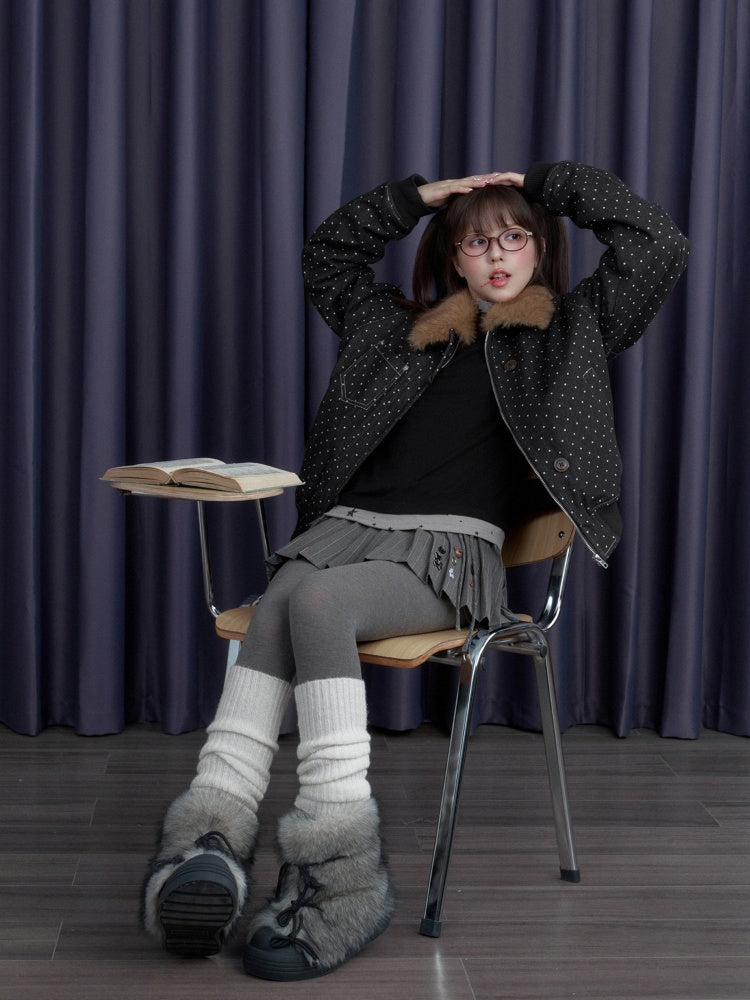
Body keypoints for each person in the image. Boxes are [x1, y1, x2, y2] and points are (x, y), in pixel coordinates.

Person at [141, 162, 689, 980]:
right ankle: (211, 841)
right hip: (342, 534)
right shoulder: (393, 329)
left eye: (515, 237)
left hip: (449, 555)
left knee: (312, 602)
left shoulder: (571, 332)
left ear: (541, 248)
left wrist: (549, 183)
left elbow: (659, 245)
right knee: (290, 593)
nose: (497, 255)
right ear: (452, 256)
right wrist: (419, 198)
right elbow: (327, 255)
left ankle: (337, 874)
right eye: (477, 242)